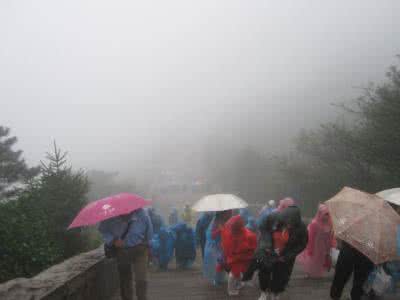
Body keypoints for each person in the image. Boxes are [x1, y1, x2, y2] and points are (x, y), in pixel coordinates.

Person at [245, 205, 307, 300]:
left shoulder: (301, 228)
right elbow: (263, 227)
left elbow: (301, 245)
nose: (289, 225)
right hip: (268, 251)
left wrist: (287, 256)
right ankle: (263, 292)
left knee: (281, 276)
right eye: (287, 223)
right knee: (264, 272)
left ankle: (276, 293)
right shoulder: (273, 217)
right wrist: (267, 244)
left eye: (292, 224)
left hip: (285, 256)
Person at [99, 208, 153, 300]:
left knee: (141, 278)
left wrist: (149, 246)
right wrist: (113, 240)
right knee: (125, 279)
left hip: (140, 249)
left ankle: (142, 298)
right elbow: (103, 231)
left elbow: (149, 232)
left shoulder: (142, 213)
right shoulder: (109, 216)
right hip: (122, 250)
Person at [221, 215, 257, 296]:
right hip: (236, 258)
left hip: (239, 257)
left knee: (238, 273)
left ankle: (238, 285)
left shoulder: (243, 233)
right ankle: (231, 290)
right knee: (234, 273)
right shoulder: (244, 233)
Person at [297, 204, 336, 278]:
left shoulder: (330, 224)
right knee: (313, 259)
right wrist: (310, 248)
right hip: (315, 245)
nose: (326, 216)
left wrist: (331, 245)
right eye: (325, 214)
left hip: (324, 246)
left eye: (328, 214)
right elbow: (310, 237)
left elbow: (331, 236)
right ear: (320, 214)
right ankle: (311, 272)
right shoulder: (314, 223)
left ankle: (318, 272)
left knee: (321, 259)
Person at [203, 209, 233, 286]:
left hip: (222, 246)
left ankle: (220, 278)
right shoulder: (215, 222)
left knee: (222, 262)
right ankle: (216, 279)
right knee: (217, 263)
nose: (229, 214)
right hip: (215, 246)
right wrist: (219, 230)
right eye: (227, 212)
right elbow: (211, 236)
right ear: (222, 213)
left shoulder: (225, 221)